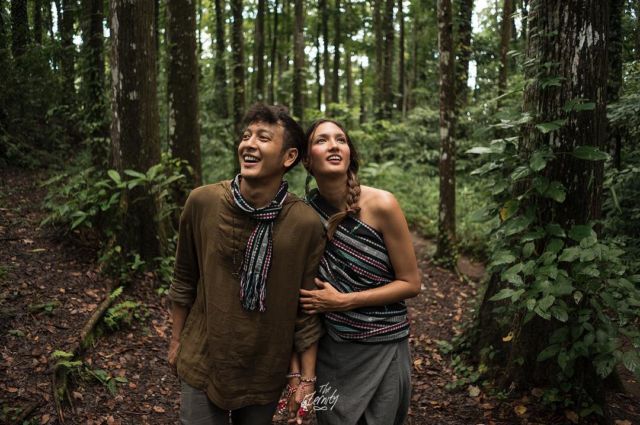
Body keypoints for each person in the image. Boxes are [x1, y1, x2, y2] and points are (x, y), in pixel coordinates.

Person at [167, 104, 325, 425]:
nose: (249, 144)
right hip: (203, 357)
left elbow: (305, 307)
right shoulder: (202, 201)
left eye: (263, 138)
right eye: (246, 135)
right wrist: (176, 342)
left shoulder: (305, 222)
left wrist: (306, 378)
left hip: (264, 366)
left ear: (289, 157)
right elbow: (184, 278)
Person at [293, 119, 421, 425]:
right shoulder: (303, 214)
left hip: (384, 345)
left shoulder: (382, 205)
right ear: (307, 160)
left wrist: (345, 301)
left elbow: (411, 283)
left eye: (341, 140)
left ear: (350, 154)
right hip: (334, 351)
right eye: (322, 140)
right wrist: (300, 373)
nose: (334, 145)